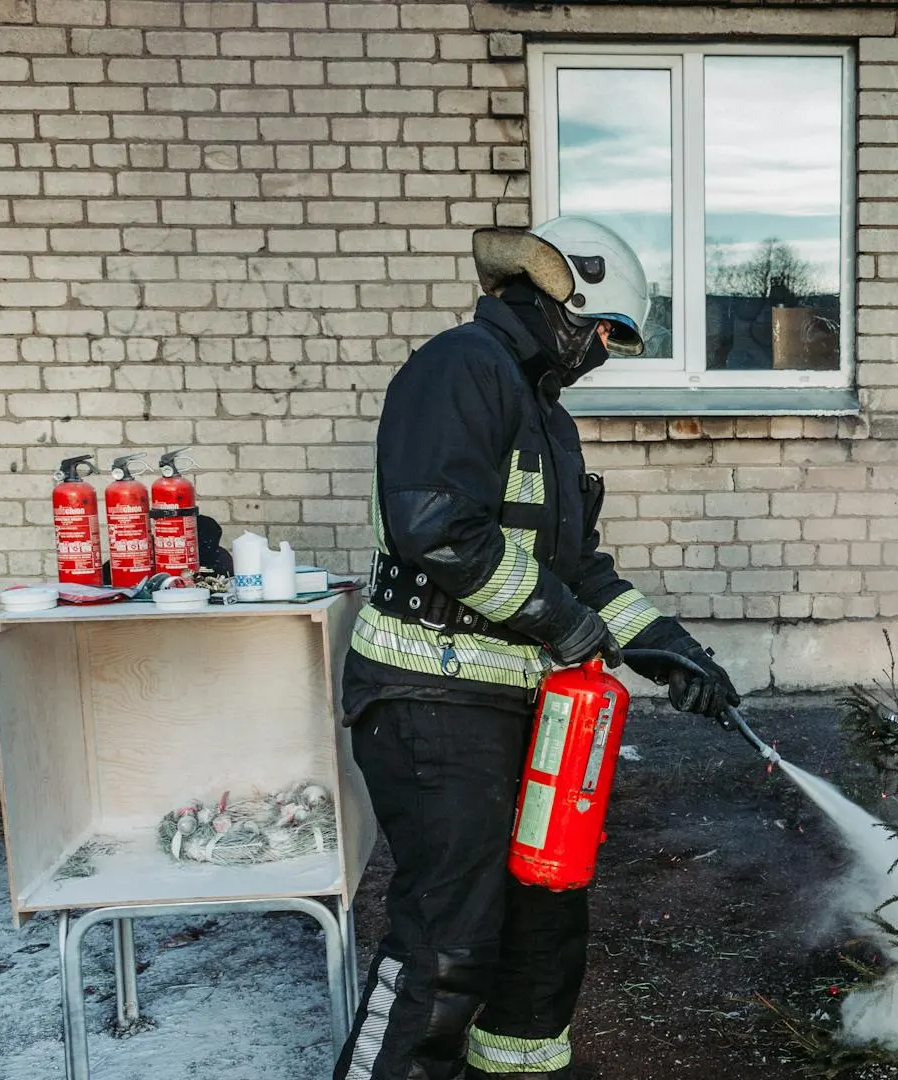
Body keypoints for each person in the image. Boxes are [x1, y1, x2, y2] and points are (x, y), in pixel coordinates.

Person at [335, 216, 741, 1080]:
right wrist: (564, 624)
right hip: (430, 701)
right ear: (564, 302)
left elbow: (574, 566)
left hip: (522, 707)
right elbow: (437, 529)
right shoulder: (458, 370)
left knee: (543, 927)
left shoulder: (542, 412)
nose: (604, 352)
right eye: (607, 331)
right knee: (450, 940)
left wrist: (665, 646)